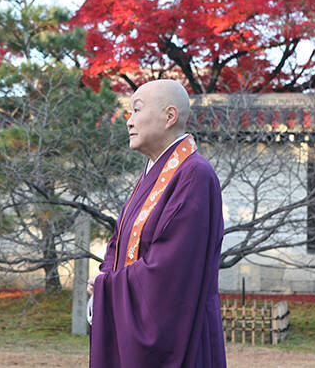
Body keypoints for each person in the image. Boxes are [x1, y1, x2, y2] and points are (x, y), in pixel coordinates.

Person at [87, 79, 226, 368]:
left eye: (137, 110)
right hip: (135, 328)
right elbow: (118, 242)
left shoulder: (194, 175)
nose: (129, 121)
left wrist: (108, 288)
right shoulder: (153, 175)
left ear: (169, 116)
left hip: (181, 336)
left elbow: (170, 270)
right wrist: (104, 280)